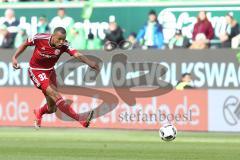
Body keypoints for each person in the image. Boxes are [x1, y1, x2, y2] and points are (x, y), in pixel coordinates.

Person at [12, 27, 99, 129]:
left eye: (63, 39)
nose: (61, 42)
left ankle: (39, 111)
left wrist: (89, 63)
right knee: (55, 95)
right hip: (36, 71)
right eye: (59, 39)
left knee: (52, 108)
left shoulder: (64, 45)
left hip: (50, 72)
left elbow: (77, 54)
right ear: (53, 36)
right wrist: (14, 57)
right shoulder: (40, 38)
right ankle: (81, 119)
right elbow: (25, 43)